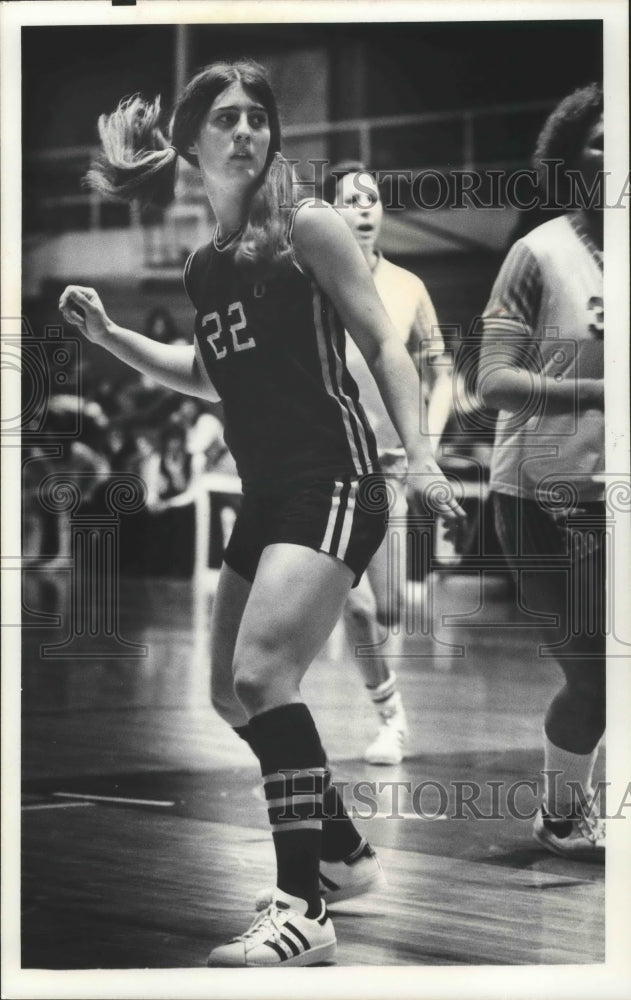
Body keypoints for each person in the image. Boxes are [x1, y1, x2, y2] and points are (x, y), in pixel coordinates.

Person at [59, 59, 464, 967]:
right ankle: (346, 854)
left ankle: (303, 907)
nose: (245, 132)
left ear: (270, 137)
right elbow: (205, 376)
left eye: (257, 118)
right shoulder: (206, 267)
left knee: (260, 674)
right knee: (222, 691)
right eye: (226, 118)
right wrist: (112, 337)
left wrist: (425, 454)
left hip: (336, 482)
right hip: (269, 493)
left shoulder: (309, 227)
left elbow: (383, 345)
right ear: (194, 141)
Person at [477, 83, 605, 859]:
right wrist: (595, 390)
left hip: (612, 497)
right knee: (596, 680)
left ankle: (569, 812)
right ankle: (559, 816)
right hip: (536, 499)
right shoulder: (537, 253)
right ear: (568, 156)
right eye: (598, 139)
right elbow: (489, 381)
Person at [323, 161, 452, 764]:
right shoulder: (311, 286)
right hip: (326, 463)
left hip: (392, 467)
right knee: (356, 602)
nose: (366, 210)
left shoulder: (408, 287)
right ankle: (390, 717)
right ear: (330, 214)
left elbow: (442, 372)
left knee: (392, 604)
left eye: (372, 199)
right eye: (351, 201)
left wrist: (429, 442)